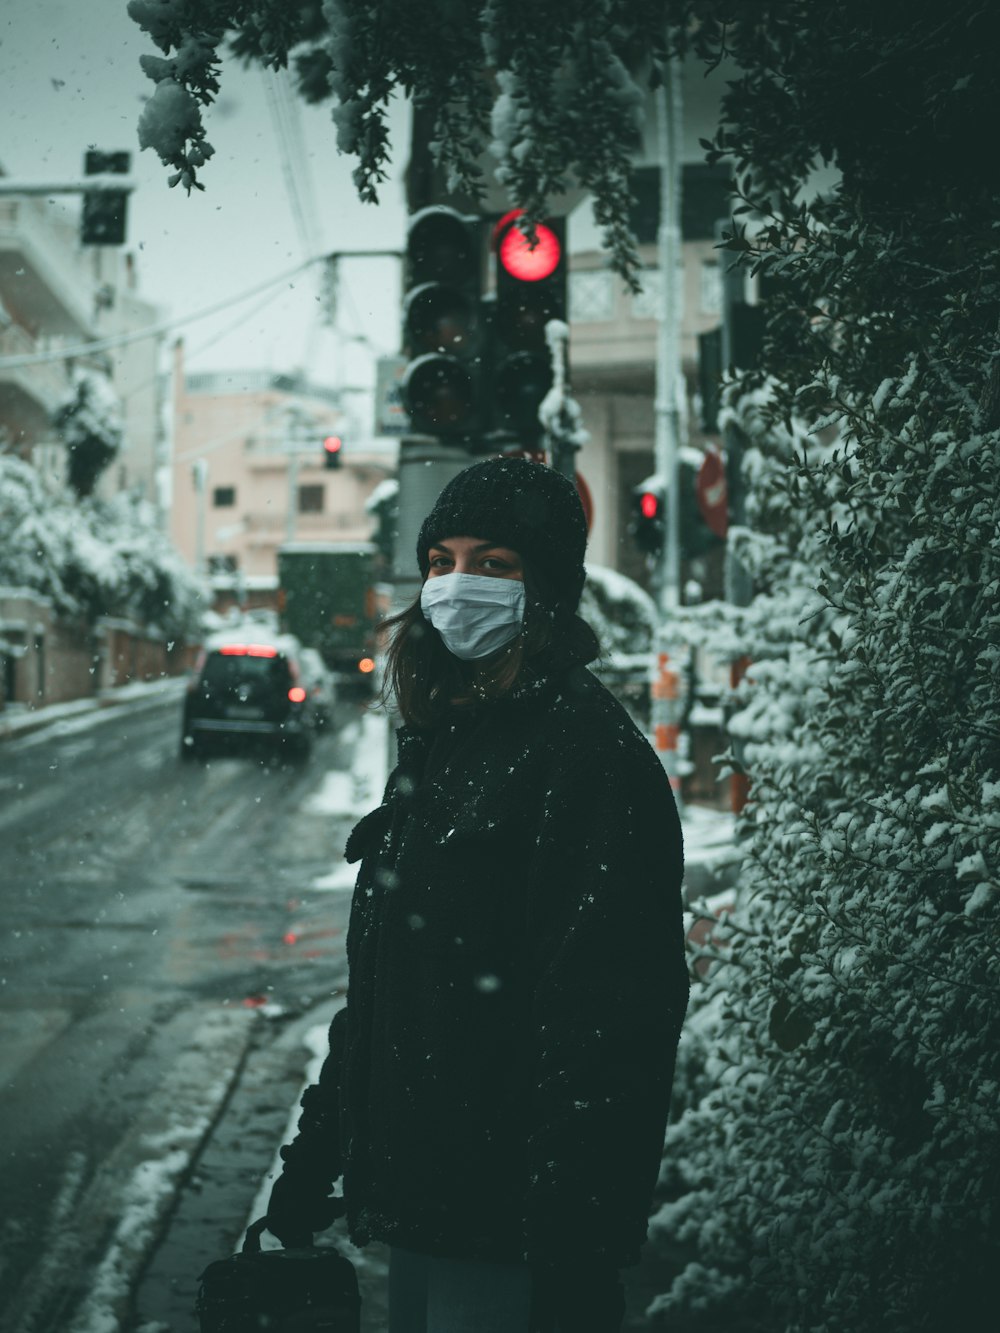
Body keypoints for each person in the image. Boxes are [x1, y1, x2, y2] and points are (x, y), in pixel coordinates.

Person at [265, 456, 688, 1332]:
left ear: (546, 586)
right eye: (441, 561)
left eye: (494, 562)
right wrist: (312, 1164)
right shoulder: (447, 738)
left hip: (512, 1235)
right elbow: (386, 988)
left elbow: (611, 1023)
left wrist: (567, 1244)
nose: (458, 585)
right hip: (428, 1212)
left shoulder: (587, 759)